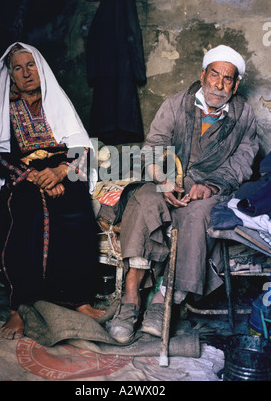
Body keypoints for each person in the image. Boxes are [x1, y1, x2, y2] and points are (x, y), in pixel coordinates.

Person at [108, 45, 259, 344]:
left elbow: (243, 160)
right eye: (214, 74)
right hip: (168, 180)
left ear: (236, 84)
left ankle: (164, 301)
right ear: (202, 74)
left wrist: (212, 186)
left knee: (199, 215)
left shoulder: (244, 116)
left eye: (227, 79)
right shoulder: (176, 104)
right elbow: (153, 147)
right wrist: (163, 181)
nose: (219, 84)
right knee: (143, 201)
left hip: (208, 189)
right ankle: (130, 299)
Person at [0, 42, 105, 340]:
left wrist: (62, 172)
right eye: (18, 69)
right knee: (28, 212)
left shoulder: (57, 103)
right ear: (11, 77)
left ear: (41, 69)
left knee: (78, 210)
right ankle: (18, 306)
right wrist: (34, 177)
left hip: (63, 171)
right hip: (25, 179)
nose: (26, 73)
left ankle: (78, 299)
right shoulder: (6, 111)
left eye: (31, 65)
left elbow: (83, 149)